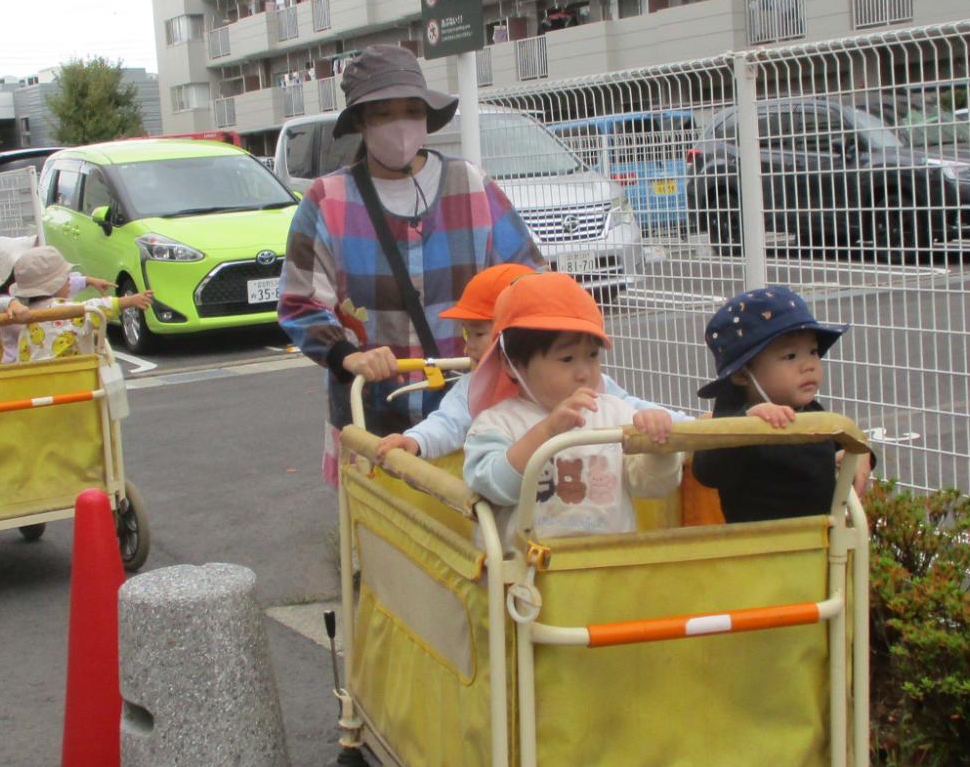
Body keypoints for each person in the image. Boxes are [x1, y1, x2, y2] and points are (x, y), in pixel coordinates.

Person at [280, 44, 542, 485]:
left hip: (473, 410)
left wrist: (503, 345)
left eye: (410, 110)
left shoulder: (472, 186)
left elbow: (528, 282)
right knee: (382, 542)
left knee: (477, 539)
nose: (400, 125)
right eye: (383, 113)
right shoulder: (327, 200)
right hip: (375, 412)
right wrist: (351, 356)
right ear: (362, 122)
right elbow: (300, 302)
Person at [375, 262, 673, 462]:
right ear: (511, 357)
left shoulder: (594, 386)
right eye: (566, 358)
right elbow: (447, 423)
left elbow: (635, 409)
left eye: (478, 332)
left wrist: (684, 425)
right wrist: (415, 441)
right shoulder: (479, 393)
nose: (468, 344)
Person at [463, 272, 681, 536]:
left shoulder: (614, 413)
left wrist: (660, 449)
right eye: (566, 359)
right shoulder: (496, 423)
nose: (583, 372)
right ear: (511, 364)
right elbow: (494, 486)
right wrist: (548, 430)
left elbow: (651, 486)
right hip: (528, 571)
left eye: (591, 356)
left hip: (608, 568)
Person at [690, 286, 870, 522]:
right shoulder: (732, 419)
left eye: (813, 351)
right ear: (743, 375)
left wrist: (861, 454)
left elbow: (843, 442)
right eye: (791, 356)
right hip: (762, 548)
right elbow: (707, 471)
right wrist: (746, 425)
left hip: (819, 543)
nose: (809, 365)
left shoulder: (813, 412)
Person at [0, 245, 150, 365]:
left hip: (37, 391)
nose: (70, 280)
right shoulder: (67, 313)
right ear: (55, 284)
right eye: (66, 277)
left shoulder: (24, 317)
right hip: (75, 386)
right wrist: (130, 301)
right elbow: (97, 307)